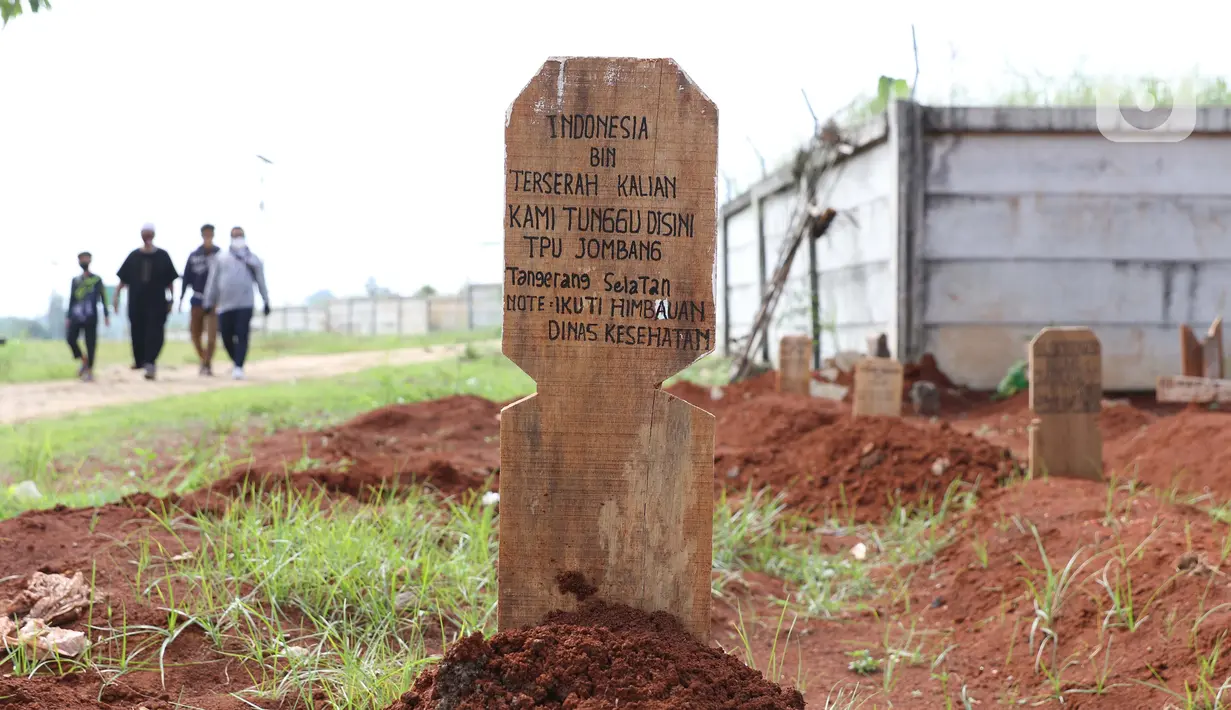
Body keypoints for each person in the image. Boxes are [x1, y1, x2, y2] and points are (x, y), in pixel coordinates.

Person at [203, 226, 270, 380]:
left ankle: (239, 366)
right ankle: (236, 361)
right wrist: (208, 301)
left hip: (245, 304)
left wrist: (266, 301)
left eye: (240, 235)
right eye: (235, 236)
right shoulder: (221, 258)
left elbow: (261, 281)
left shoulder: (253, 259)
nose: (238, 238)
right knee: (226, 336)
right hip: (225, 305)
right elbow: (212, 282)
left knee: (242, 334)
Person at [115, 223, 179, 380]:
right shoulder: (133, 256)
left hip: (157, 303)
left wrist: (172, 300)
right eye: (145, 233)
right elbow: (123, 280)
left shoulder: (163, 256)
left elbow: (170, 282)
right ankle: (140, 361)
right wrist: (115, 298)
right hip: (136, 303)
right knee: (137, 332)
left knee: (155, 333)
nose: (147, 236)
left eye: (149, 233)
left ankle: (150, 362)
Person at [179, 223, 221, 376]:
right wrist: (181, 298)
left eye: (210, 233)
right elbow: (186, 278)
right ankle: (203, 359)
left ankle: (207, 363)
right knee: (195, 334)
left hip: (213, 301)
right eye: (206, 233)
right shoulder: (194, 255)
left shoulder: (220, 255)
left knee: (211, 335)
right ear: (202, 235)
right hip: (197, 299)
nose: (208, 236)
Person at [65, 251, 110, 382]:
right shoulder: (76, 281)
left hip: (91, 316)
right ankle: (83, 360)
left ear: (90, 260)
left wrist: (106, 314)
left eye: (86, 258)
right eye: (81, 259)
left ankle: (89, 370)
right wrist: (68, 316)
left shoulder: (96, 280)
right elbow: (72, 299)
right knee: (70, 338)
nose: (84, 261)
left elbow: (103, 297)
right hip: (76, 316)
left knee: (91, 343)